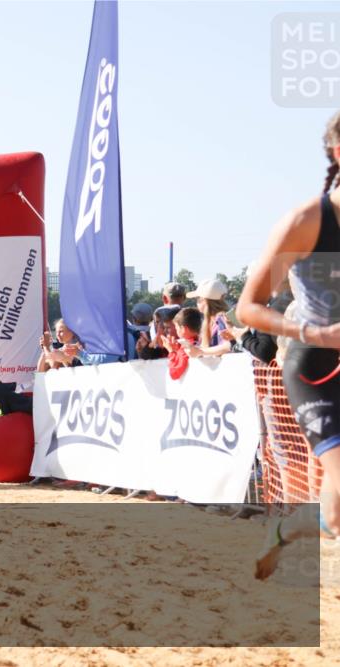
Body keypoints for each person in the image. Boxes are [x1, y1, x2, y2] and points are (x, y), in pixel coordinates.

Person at [237, 110, 340, 579]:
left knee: (335, 513)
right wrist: (312, 332)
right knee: (338, 500)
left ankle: (289, 531)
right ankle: (283, 532)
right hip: (313, 365)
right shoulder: (306, 222)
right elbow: (248, 308)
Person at [186, 279, 233, 357]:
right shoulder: (212, 321)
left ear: (205, 300)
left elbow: (228, 346)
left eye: (198, 299)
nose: (196, 302)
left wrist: (200, 351)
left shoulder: (221, 318)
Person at [163, 307, 203, 380]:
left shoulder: (187, 347)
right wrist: (176, 350)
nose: (176, 330)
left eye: (177, 327)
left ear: (183, 329)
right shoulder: (201, 341)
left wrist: (171, 351)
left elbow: (174, 374)